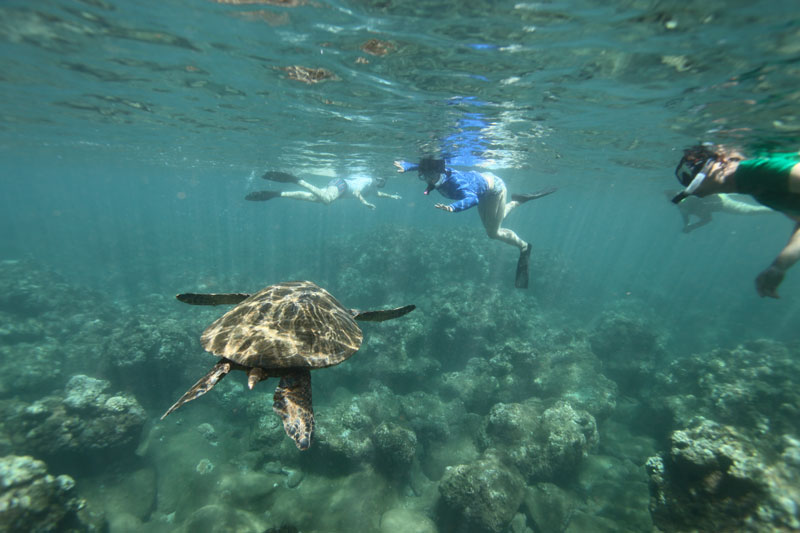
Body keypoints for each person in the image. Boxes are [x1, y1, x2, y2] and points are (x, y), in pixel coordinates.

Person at [394, 157, 556, 289]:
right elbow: (429, 166)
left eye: (431, 177)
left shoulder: (456, 183)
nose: (428, 180)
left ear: (440, 174)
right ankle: (517, 202)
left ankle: (524, 246)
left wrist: (453, 207)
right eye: (425, 177)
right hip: (484, 187)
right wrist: (408, 166)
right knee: (493, 223)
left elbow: (472, 199)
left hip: (494, 190)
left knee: (493, 233)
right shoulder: (438, 172)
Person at [671, 144, 800, 298]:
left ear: (720, 160)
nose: (690, 179)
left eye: (695, 168)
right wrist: (780, 266)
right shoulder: (755, 187)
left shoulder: (757, 172)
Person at [246, 171, 401, 210]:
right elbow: (356, 193)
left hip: (339, 188)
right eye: (380, 181)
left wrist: (391, 196)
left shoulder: (373, 187)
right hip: (341, 185)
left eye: (382, 183)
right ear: (376, 178)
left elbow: (378, 194)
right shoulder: (367, 180)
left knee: (314, 198)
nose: (380, 184)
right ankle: (297, 180)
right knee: (327, 201)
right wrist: (365, 203)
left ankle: (277, 194)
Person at [664, 190, 773, 233]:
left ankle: (776, 208)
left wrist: (692, 227)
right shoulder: (685, 205)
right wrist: (687, 225)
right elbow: (685, 216)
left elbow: (708, 219)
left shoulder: (690, 204)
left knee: (752, 211)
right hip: (720, 192)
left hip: (724, 203)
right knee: (749, 192)